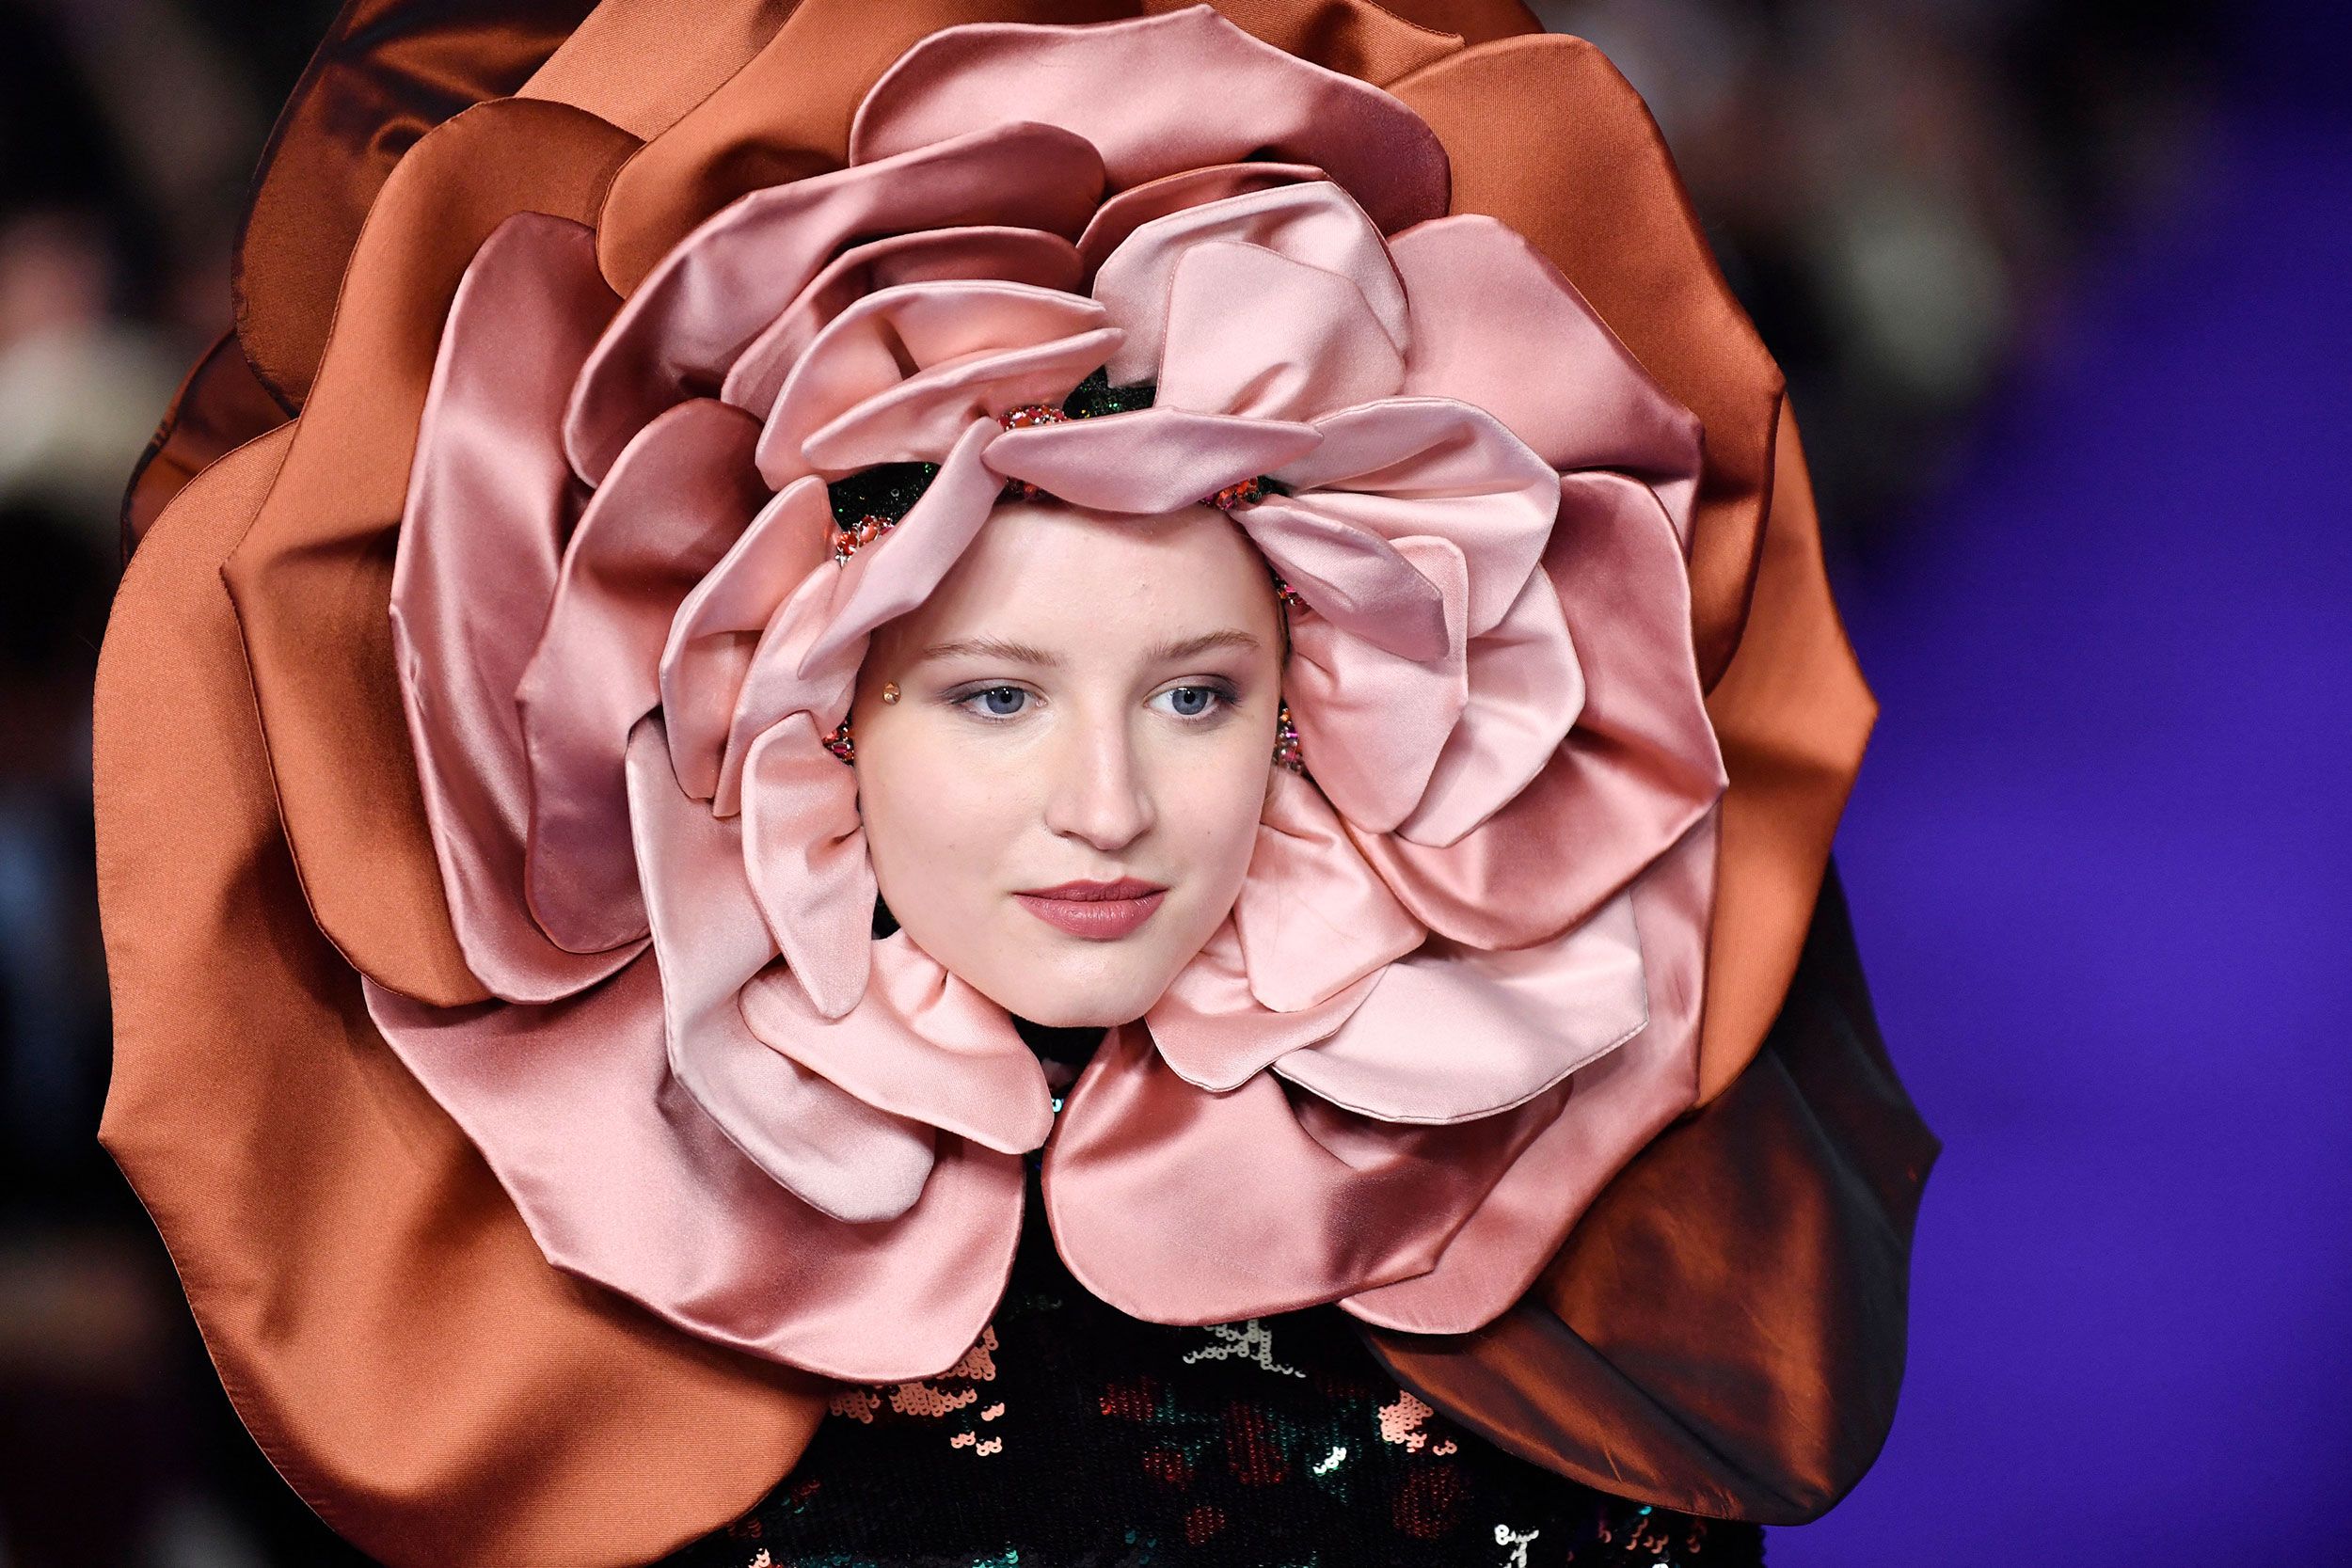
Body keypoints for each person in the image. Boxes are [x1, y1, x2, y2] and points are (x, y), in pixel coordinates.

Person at [94, 5, 1936, 1566]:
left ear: (1336, 693)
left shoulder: (1515, 1213)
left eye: (1201, 695)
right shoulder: (605, 1308)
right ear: (780, 719)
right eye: (990, 698)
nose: (1108, 808)